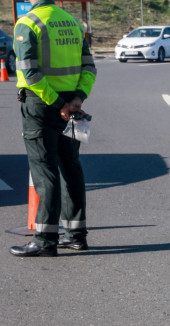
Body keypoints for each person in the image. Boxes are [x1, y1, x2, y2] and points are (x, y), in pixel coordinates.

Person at [10, 0, 96, 257]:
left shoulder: (27, 23)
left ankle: (46, 240)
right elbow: (89, 67)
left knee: (45, 171)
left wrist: (59, 104)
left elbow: (30, 73)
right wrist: (77, 99)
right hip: (72, 104)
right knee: (71, 166)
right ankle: (76, 235)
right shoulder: (72, 23)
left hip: (42, 106)